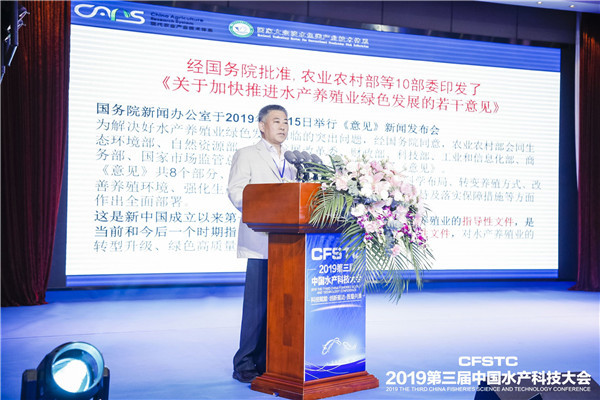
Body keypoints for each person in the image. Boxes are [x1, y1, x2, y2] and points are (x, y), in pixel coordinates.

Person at [227, 104, 296, 383]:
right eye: (277, 121)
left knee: (281, 308)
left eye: (286, 122)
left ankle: (270, 361)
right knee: (257, 308)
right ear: (261, 125)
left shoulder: (292, 160)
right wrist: (268, 210)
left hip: (289, 245)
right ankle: (244, 363)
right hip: (260, 241)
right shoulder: (247, 154)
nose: (283, 126)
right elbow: (236, 192)